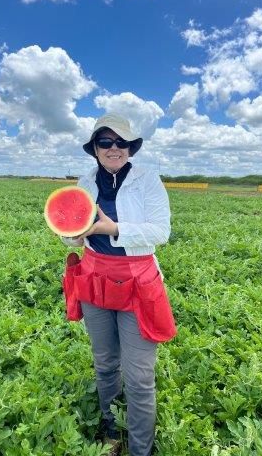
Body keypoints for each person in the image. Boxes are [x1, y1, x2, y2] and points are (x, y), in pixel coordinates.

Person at [60, 112, 177, 456]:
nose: (114, 148)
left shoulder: (148, 180)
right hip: (95, 277)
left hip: (138, 279)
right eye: (105, 142)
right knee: (105, 362)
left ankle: (141, 449)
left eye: (121, 142)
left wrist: (113, 228)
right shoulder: (85, 182)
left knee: (139, 376)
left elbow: (160, 232)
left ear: (130, 147)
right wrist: (72, 235)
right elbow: (74, 240)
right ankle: (112, 432)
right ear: (95, 148)